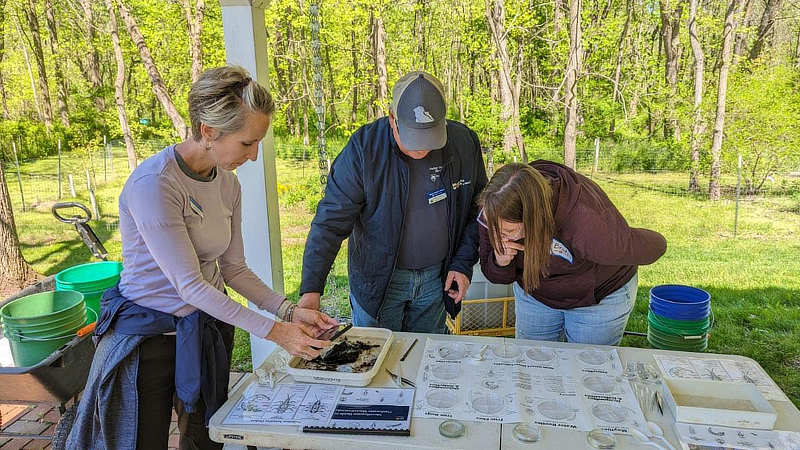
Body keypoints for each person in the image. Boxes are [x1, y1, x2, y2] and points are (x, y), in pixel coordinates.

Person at [67, 66, 338, 450]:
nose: (255, 155)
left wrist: (289, 312)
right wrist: (276, 332)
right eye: (247, 143)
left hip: (203, 330)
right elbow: (189, 285)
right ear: (209, 131)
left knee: (206, 440)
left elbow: (233, 269)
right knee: (138, 440)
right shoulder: (155, 185)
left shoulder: (227, 182)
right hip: (147, 340)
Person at [298, 71, 488, 333]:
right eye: (412, 138)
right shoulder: (364, 150)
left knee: (425, 356)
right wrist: (311, 289)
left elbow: (478, 211)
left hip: (437, 280)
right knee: (378, 358)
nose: (421, 149)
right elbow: (330, 222)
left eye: (430, 138)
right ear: (392, 119)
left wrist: (462, 263)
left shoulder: (463, 143)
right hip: (379, 282)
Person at [478, 161, 666, 345]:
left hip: (597, 299)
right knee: (532, 364)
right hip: (536, 294)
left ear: (534, 219)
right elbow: (494, 273)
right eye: (489, 224)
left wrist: (619, 240)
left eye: (508, 232)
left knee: (587, 369)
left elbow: (655, 246)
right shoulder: (497, 207)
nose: (494, 235)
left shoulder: (586, 223)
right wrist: (500, 261)